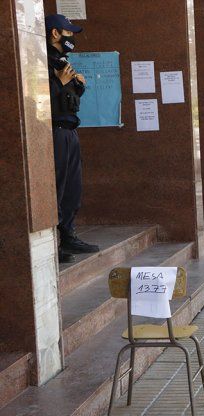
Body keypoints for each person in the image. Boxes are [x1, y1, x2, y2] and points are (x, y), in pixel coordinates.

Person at [45, 14, 100, 263]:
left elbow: (67, 98)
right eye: (68, 32)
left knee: (72, 188)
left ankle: (68, 234)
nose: (71, 37)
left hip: (69, 130)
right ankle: (52, 244)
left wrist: (77, 85)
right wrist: (59, 82)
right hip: (54, 132)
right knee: (57, 187)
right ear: (55, 33)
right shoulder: (41, 59)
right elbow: (36, 98)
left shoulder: (61, 60)